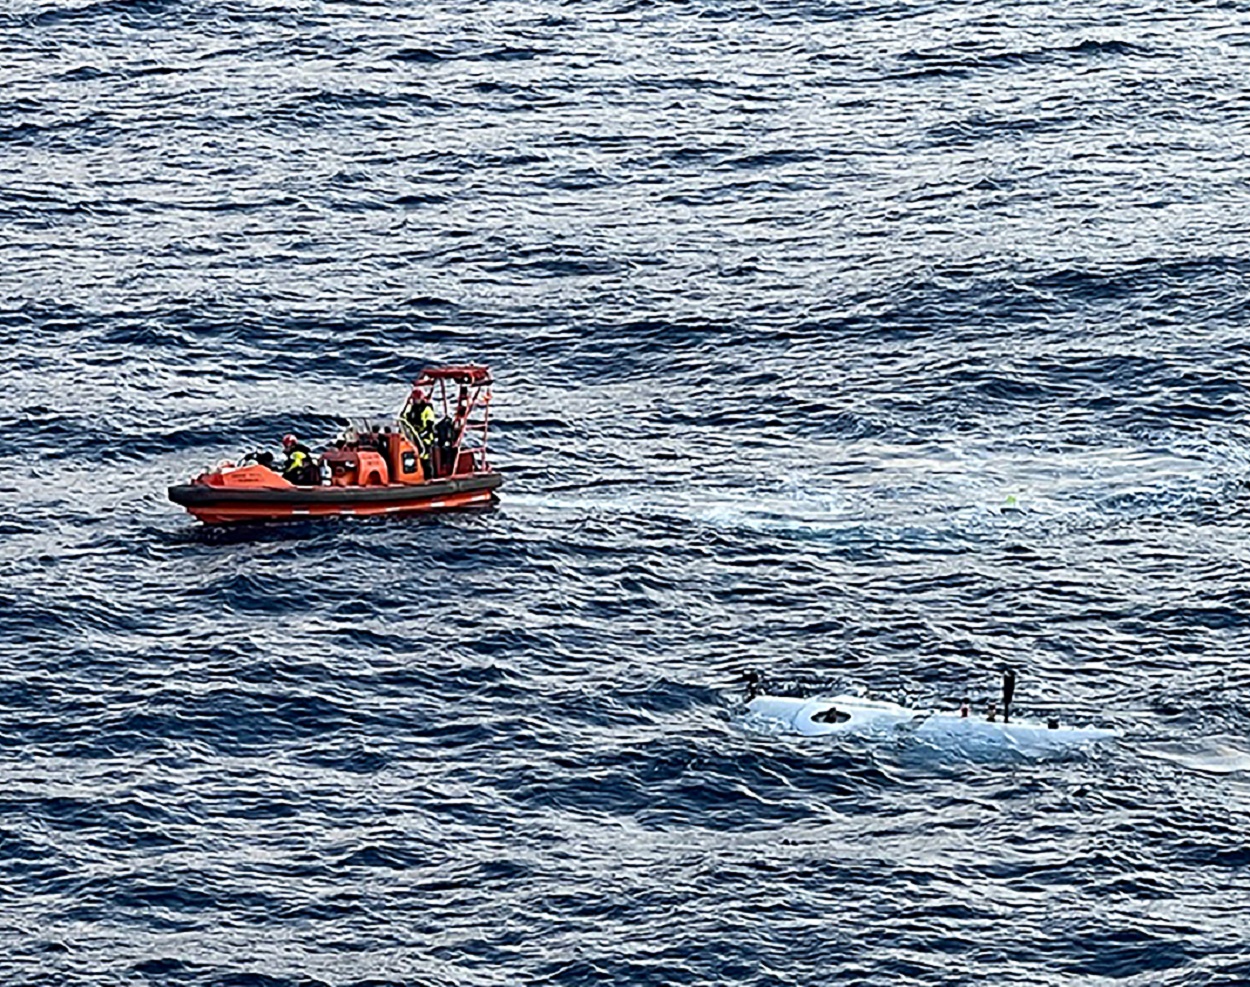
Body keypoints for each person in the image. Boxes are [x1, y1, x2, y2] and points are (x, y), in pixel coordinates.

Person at [399, 387, 435, 469]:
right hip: (413, 436)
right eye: (413, 399)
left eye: (416, 399)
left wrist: (420, 435)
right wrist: (406, 405)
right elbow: (402, 418)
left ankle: (428, 476)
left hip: (425, 438)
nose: (415, 401)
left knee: (425, 457)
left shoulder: (427, 409)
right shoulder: (412, 409)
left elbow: (430, 427)